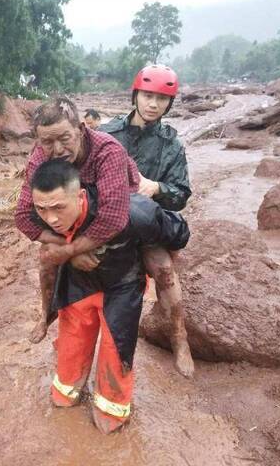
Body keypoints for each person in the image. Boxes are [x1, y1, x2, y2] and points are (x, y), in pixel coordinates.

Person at [30, 159, 190, 434]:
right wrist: (46, 313)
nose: (51, 218)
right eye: (42, 209)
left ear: (80, 197)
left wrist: (160, 253)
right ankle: (68, 383)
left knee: (116, 355)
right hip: (79, 286)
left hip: (122, 286)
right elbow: (46, 257)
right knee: (67, 369)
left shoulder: (136, 212)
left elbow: (178, 233)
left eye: (59, 208)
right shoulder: (40, 213)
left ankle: (179, 338)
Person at [14, 97, 141, 344]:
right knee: (46, 258)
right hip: (73, 213)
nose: (57, 150)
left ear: (81, 130)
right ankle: (46, 313)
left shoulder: (108, 151)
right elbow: (22, 216)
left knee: (160, 264)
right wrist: (69, 252)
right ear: (39, 141)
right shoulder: (40, 156)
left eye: (64, 138)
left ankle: (178, 334)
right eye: (48, 142)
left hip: (125, 210)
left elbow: (113, 219)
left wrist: (69, 249)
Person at [99, 64, 194, 377]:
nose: (153, 104)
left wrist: (156, 188)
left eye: (162, 99)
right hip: (109, 222)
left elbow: (181, 195)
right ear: (135, 95)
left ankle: (180, 340)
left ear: (170, 103)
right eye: (148, 95)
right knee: (73, 263)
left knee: (164, 269)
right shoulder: (107, 134)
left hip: (147, 225)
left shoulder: (171, 144)